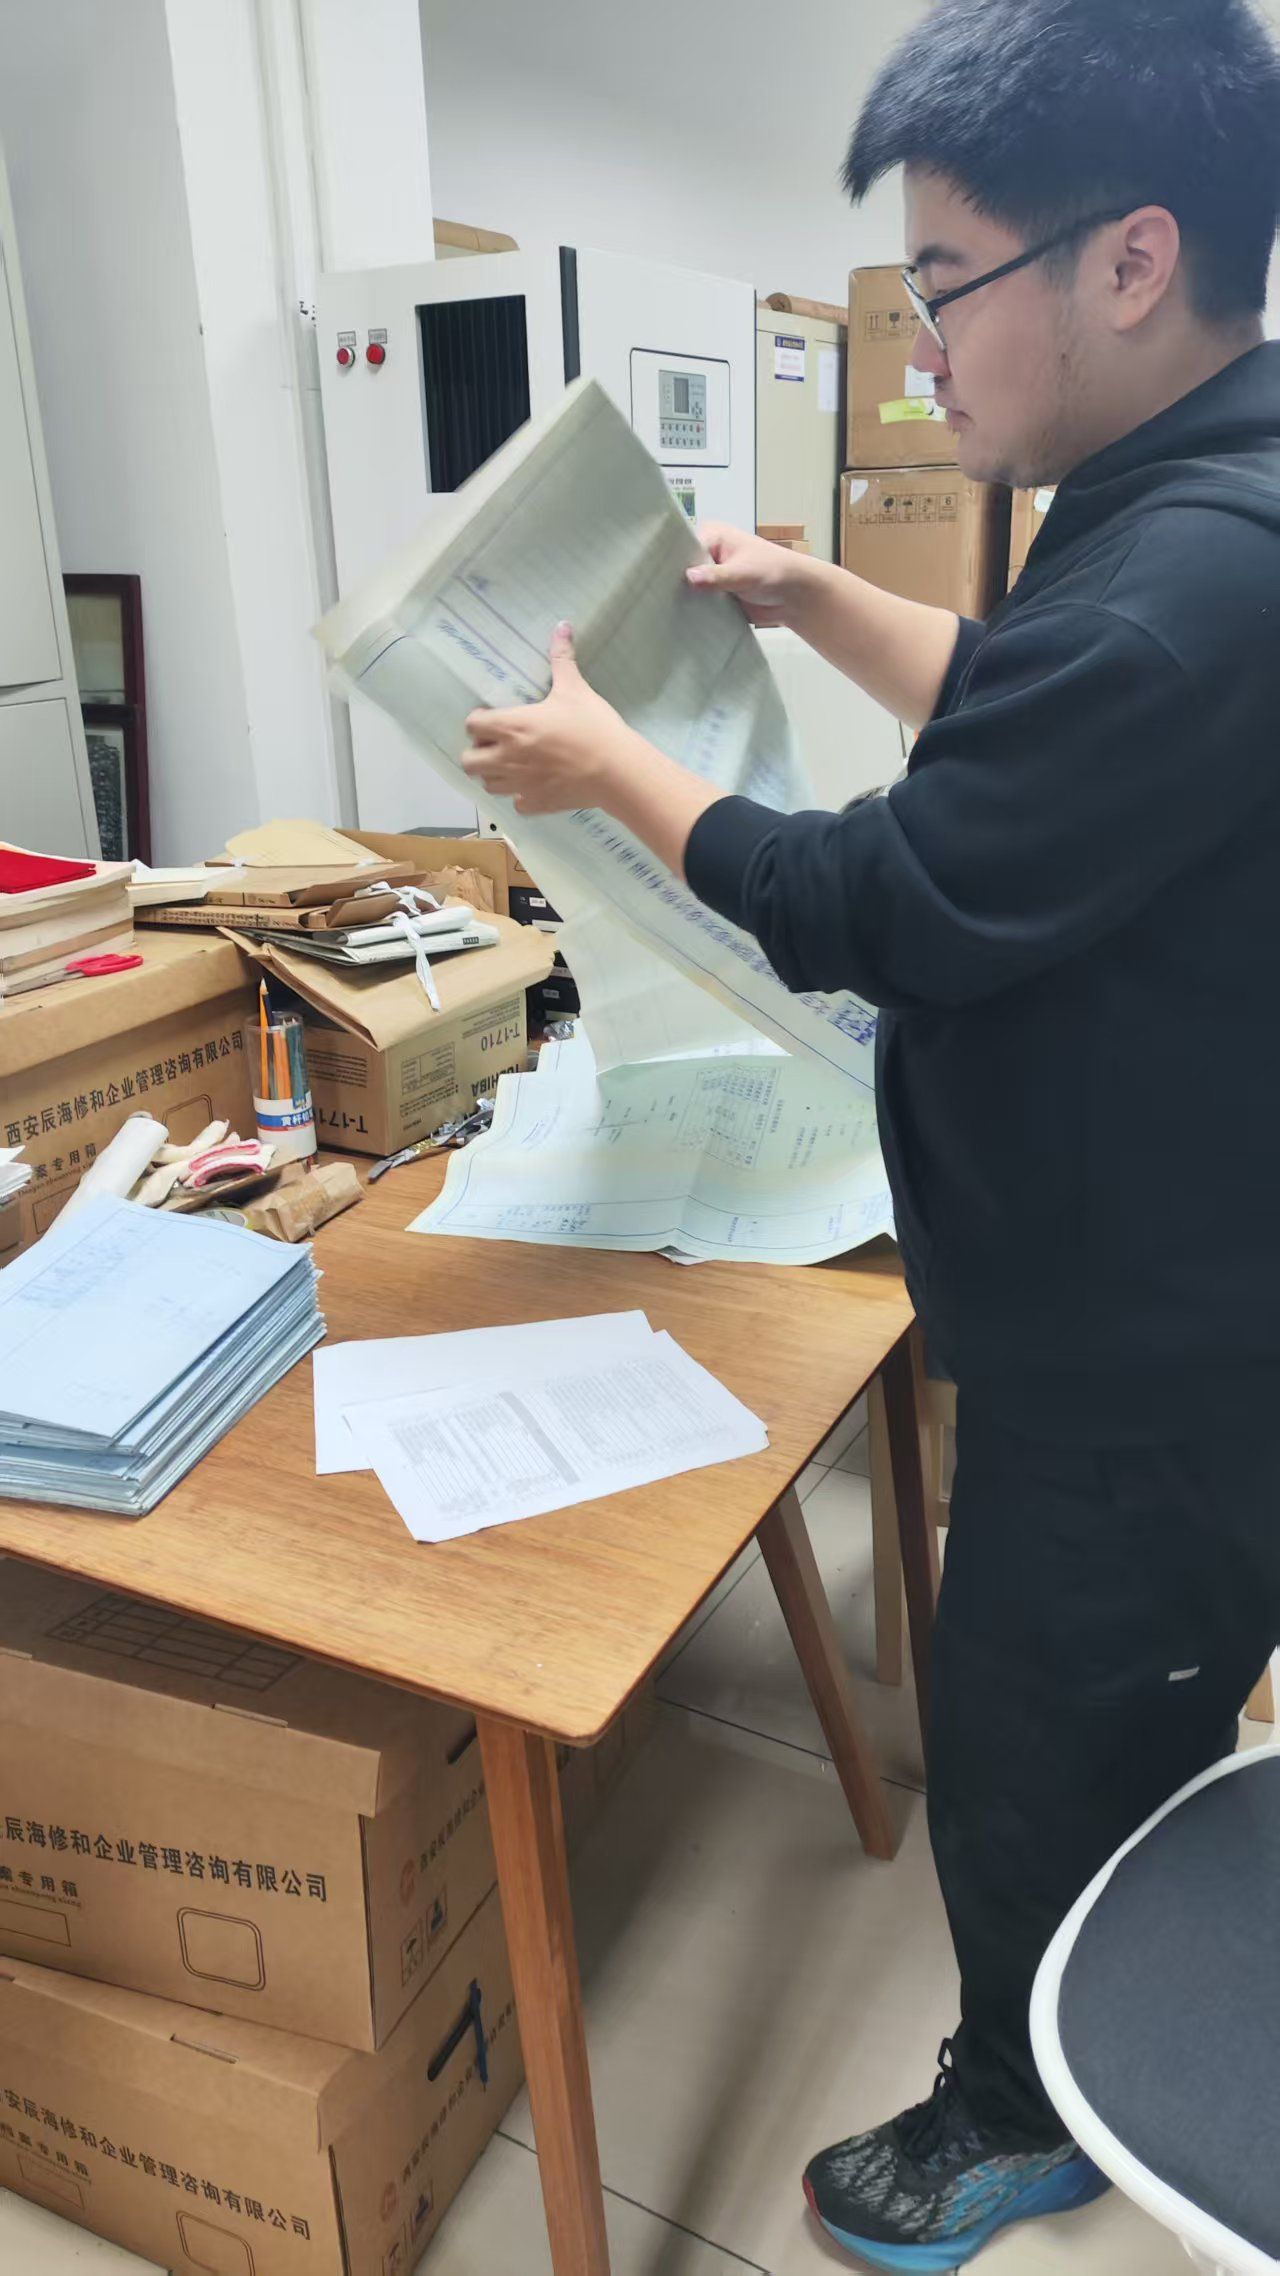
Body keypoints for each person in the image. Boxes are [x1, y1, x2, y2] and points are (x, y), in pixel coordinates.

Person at [463, 0, 1280, 2264]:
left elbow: (885, 901)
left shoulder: (1198, 582)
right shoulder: (1189, 506)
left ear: (1131, 261)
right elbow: (1036, 722)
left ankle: (1019, 2108)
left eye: (944, 285)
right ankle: (1090, 1961)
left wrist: (613, 767)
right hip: (1165, 1292)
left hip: (1143, 1356)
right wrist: (821, 601)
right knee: (1098, 1702)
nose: (921, 351)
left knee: (1034, 1738)